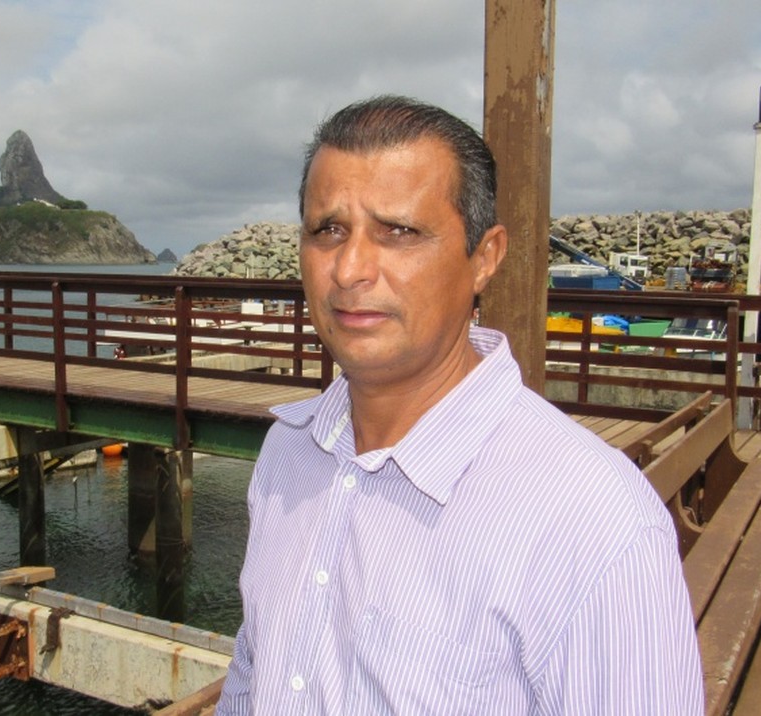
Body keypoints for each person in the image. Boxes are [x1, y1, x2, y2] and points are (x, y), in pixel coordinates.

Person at [215, 95, 703, 714]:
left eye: (399, 232)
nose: (350, 268)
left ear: (484, 259)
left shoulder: (593, 523)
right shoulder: (288, 454)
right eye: (328, 230)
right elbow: (254, 672)